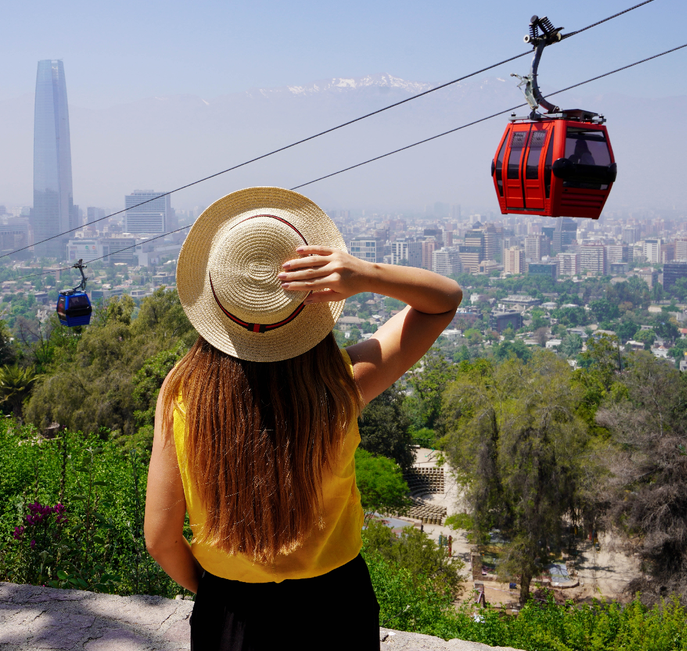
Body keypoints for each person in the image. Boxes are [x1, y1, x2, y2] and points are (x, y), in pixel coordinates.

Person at [144, 187, 462, 650]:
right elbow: (444, 300)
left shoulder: (182, 396)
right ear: (311, 305)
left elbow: (160, 540)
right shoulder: (341, 388)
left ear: (215, 303)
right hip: (335, 609)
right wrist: (363, 273)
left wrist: (224, 591)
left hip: (229, 614)